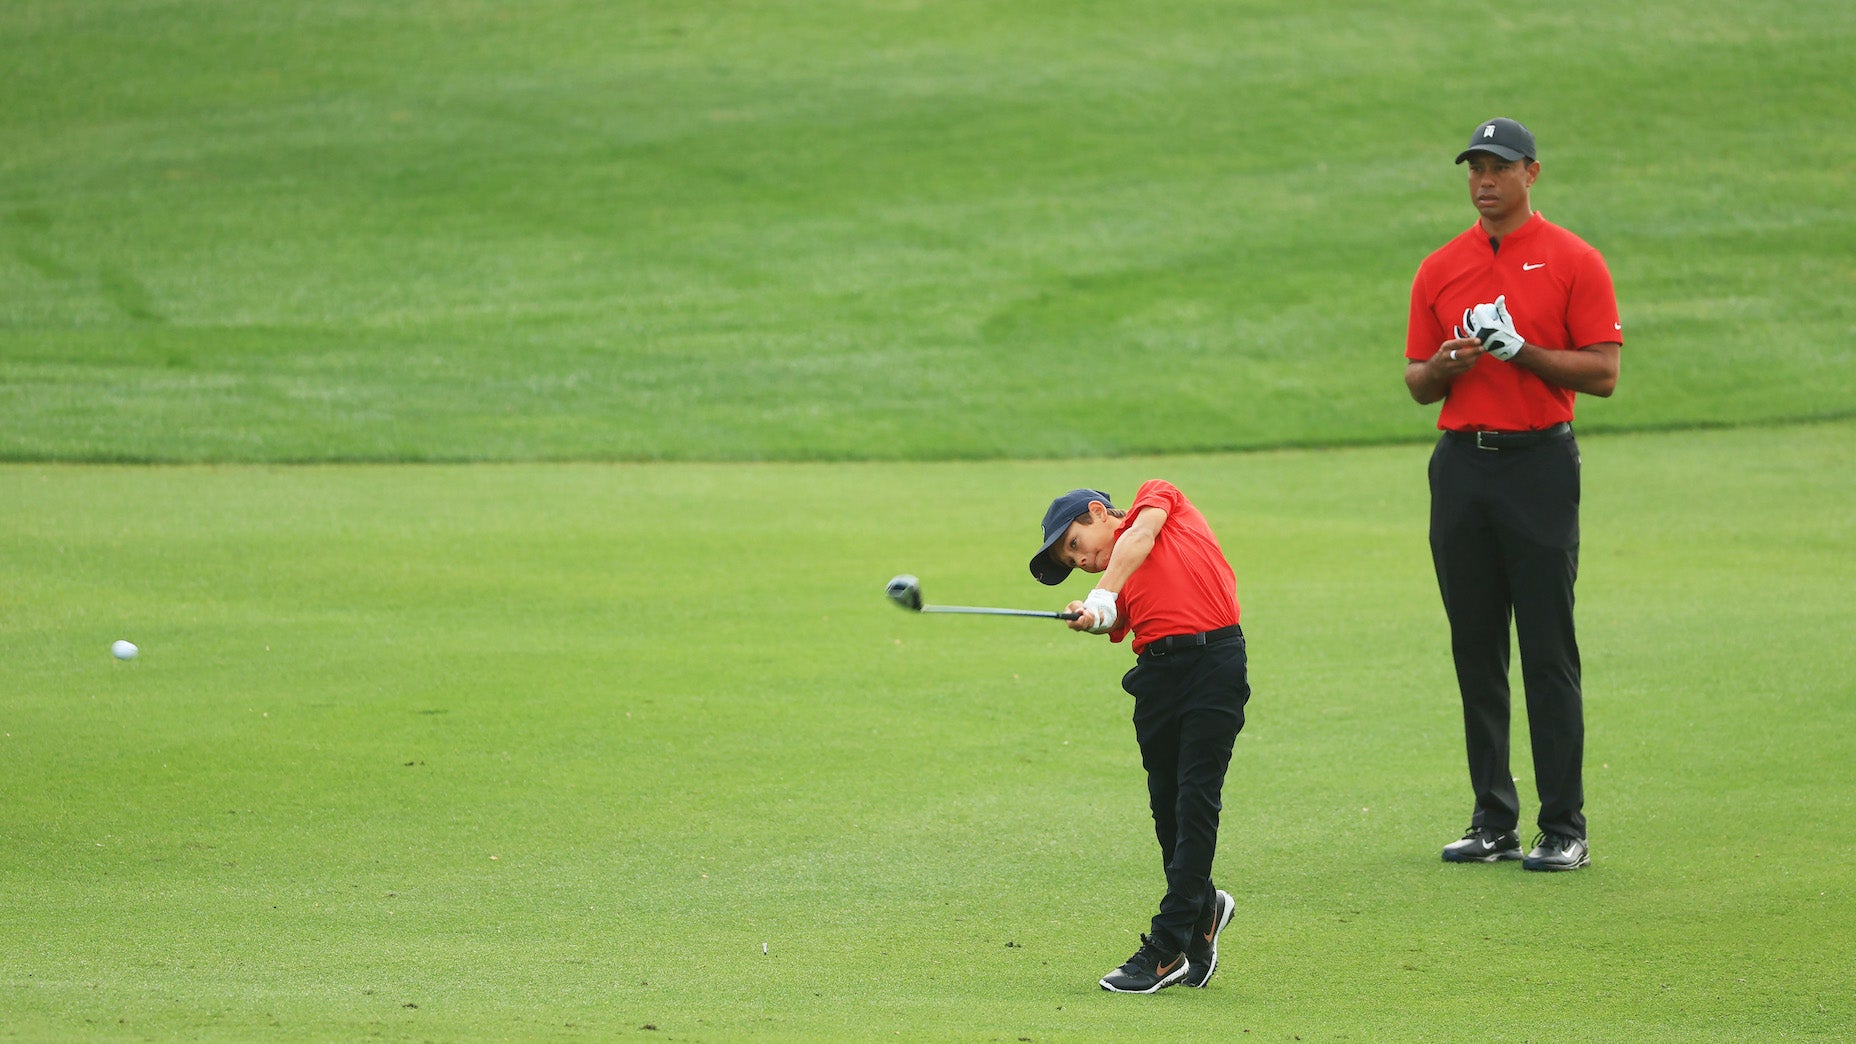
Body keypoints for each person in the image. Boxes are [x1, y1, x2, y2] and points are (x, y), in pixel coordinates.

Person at [1403, 117, 1622, 872]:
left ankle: (1564, 826)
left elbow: (1603, 373)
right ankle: (1492, 817)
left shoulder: (1573, 260)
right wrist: (1447, 365)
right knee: (1475, 647)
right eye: (1474, 168)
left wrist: (1520, 353)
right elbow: (1414, 382)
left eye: (1499, 167)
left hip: (1539, 467)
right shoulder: (1440, 267)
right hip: (1462, 467)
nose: (1484, 180)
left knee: (1547, 650)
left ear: (1532, 174)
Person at [1030, 481, 1248, 992]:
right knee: (1167, 807)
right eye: (1070, 559)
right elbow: (1120, 615)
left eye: (1075, 545)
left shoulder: (1158, 499)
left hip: (1213, 663)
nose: (1080, 561)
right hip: (1156, 676)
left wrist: (1102, 592)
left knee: (1196, 801)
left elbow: (1139, 539)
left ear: (1096, 512)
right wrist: (1092, 616)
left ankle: (1166, 947)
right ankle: (1204, 908)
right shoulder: (1114, 576)